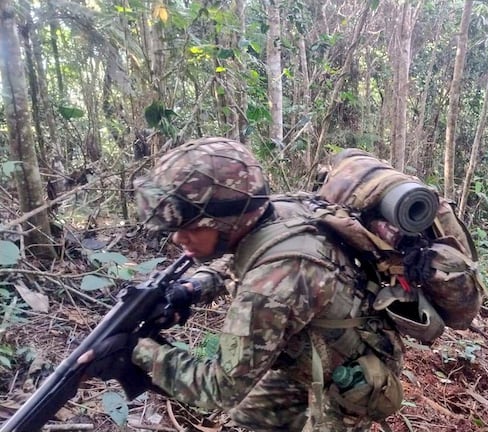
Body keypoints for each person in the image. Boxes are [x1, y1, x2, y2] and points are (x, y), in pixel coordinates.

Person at [77, 137, 405, 431]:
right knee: (250, 417)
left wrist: (139, 352)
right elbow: (246, 254)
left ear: (226, 221)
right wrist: (193, 289)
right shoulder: (280, 211)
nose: (178, 238)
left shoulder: (274, 283)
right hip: (314, 350)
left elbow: (218, 388)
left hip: (354, 379)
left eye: (190, 227)